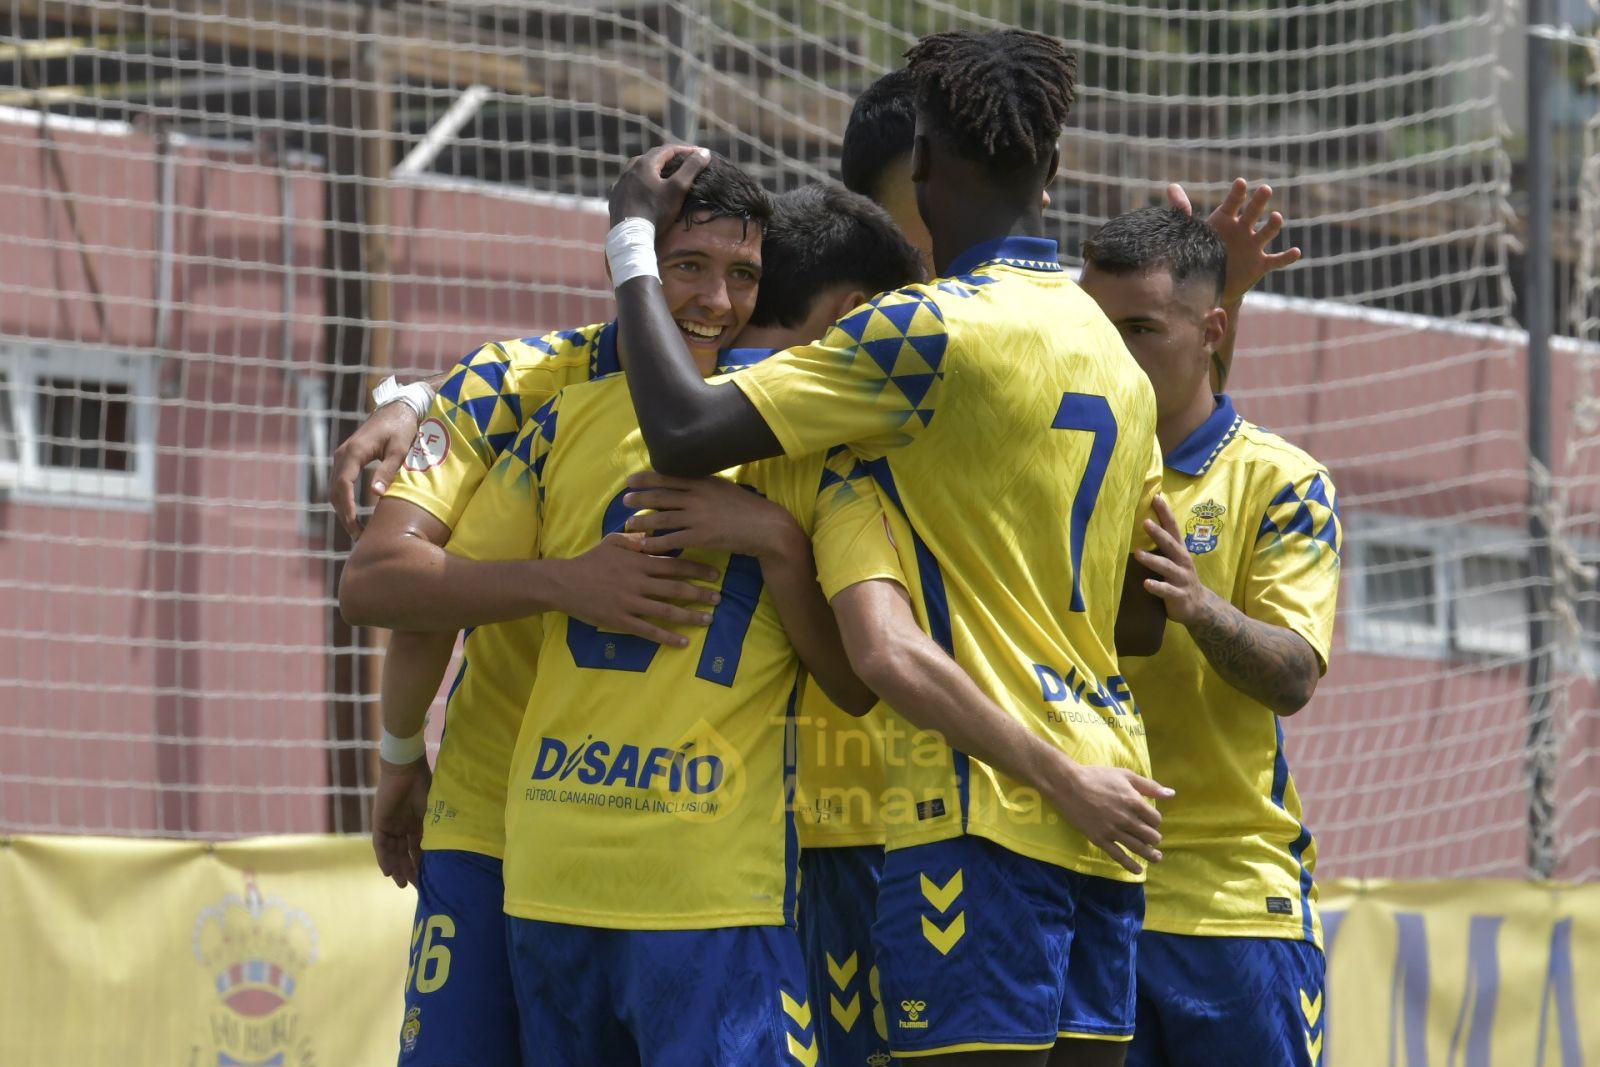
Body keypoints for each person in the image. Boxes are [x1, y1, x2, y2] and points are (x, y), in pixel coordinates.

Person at [606, 28, 1171, 1066]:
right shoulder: (1117, 357)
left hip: (985, 808)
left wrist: (634, 238)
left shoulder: (925, 330)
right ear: (1051, 169)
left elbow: (683, 428)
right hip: (1112, 797)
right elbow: (1142, 615)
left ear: (919, 163)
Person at [341, 171, 929, 1066]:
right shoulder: (532, 388)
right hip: (515, 828)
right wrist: (560, 582)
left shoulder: (791, 428)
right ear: (637, 264)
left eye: (742, 275)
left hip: (663, 853)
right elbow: (387, 586)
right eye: (686, 265)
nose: (716, 299)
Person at [1078, 207, 1338, 1067]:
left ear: (1211, 332)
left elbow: (1293, 675)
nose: (1114, 352)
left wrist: (1198, 605)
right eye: (1098, 326)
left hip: (1234, 907)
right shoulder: (1055, 468)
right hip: (1083, 891)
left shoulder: (1281, 479)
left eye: (1142, 329)